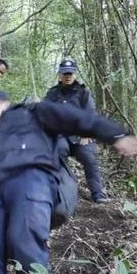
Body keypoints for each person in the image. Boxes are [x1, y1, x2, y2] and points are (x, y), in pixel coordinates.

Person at [0, 91, 137, 274]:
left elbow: (76, 118)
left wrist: (116, 135)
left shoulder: (34, 112)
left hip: (30, 181)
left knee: (24, 245)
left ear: (4, 102)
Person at [44, 59, 109, 203]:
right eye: (65, 73)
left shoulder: (83, 92)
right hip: (61, 136)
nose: (68, 76)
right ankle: (61, 191)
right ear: (59, 75)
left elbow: (90, 114)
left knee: (89, 157)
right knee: (58, 151)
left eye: (70, 73)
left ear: (75, 74)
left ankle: (98, 193)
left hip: (80, 137)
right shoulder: (52, 93)